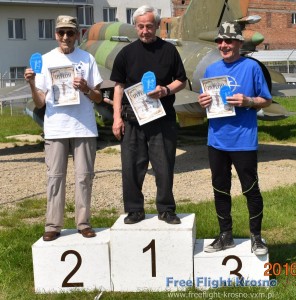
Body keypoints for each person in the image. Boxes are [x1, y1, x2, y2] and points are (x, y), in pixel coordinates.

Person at [24, 15, 103, 241]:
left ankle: (83, 223)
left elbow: (98, 97)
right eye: (61, 33)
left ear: (78, 34)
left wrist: (87, 88)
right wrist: (31, 83)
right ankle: (53, 225)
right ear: (55, 35)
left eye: (70, 32)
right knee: (55, 177)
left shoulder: (87, 59)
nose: (66, 37)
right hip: (56, 128)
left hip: (84, 128)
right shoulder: (46, 60)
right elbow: (40, 102)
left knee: (84, 177)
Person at [198, 21, 271, 255]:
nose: (223, 45)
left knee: (251, 190)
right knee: (220, 190)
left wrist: (249, 101)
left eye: (228, 40)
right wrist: (203, 102)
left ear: (239, 42)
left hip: (243, 140)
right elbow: (206, 102)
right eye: (220, 41)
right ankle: (225, 236)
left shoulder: (252, 67)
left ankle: (256, 238)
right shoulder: (211, 70)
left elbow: (266, 100)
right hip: (217, 140)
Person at [110, 5, 187, 225]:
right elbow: (118, 86)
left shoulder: (169, 51)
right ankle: (134, 210)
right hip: (132, 120)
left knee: (164, 167)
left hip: (162, 119)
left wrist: (166, 90)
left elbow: (181, 80)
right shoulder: (126, 53)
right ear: (136, 27)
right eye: (141, 26)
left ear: (157, 26)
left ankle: (166, 209)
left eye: (149, 26)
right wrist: (116, 118)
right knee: (132, 167)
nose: (145, 31)